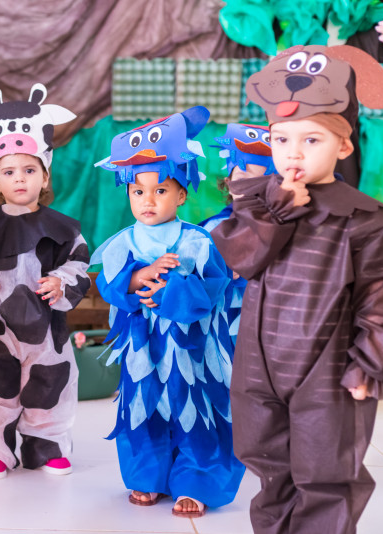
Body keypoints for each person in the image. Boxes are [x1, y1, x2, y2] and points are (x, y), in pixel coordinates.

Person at [213, 44, 383, 534]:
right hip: (260, 366)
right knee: (269, 466)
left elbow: (379, 296)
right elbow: (240, 260)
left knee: (327, 472)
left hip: (327, 368)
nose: (293, 154)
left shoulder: (362, 220)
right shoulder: (260, 205)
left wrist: (369, 360)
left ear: (343, 146)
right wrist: (277, 210)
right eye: (281, 140)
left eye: (311, 141)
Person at [91, 107, 244, 517]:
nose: (148, 200)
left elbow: (212, 289)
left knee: (195, 407)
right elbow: (110, 286)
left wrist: (172, 284)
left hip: (190, 347)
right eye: (138, 192)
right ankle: (148, 476)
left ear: (181, 194)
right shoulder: (122, 242)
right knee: (144, 406)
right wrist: (139, 275)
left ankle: (196, 479)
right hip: (143, 345)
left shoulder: (197, 241)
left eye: (160, 191)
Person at [0, 83, 90, 479]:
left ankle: (46, 446)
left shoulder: (62, 228)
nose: (19, 179)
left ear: (44, 176)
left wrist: (61, 282)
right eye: (9, 171)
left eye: (29, 170)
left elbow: (79, 263)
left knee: (49, 384)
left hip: (46, 330)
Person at [199, 123, 274, 345]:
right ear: (229, 185)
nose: (250, 190)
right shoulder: (211, 231)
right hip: (220, 332)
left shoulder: (290, 231)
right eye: (242, 180)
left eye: (261, 183)